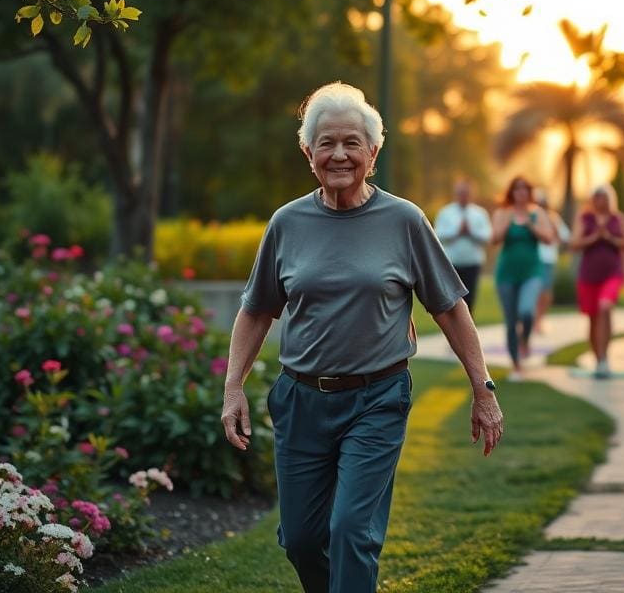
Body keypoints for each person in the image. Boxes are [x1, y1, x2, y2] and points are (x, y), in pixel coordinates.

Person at [220, 82, 503, 593]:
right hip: (301, 400)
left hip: (377, 398)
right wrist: (233, 387)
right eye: (326, 143)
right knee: (302, 539)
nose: (339, 154)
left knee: (352, 531)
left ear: (373, 152)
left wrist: (482, 388)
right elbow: (256, 310)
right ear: (308, 153)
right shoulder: (287, 223)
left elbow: (450, 308)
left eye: (352, 142)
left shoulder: (404, 221)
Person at [491, 176, 555, 380]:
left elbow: (549, 238)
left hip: (531, 272)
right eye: (517, 189)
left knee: (527, 311)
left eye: (525, 189)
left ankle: (525, 340)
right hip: (506, 274)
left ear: (529, 192)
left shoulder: (537, 213)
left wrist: (531, 226)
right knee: (511, 321)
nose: (521, 192)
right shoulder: (503, 213)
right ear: (511, 192)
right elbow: (494, 239)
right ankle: (516, 366)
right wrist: (507, 225)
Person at [570, 184, 624, 378]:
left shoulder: (618, 219)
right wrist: (594, 238)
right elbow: (574, 243)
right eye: (597, 197)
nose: (600, 200)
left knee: (605, 307)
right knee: (592, 318)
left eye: (604, 197)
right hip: (588, 275)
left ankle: (605, 357)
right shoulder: (584, 218)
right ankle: (598, 359)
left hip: (612, 273)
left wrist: (610, 239)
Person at [435, 179, 493, 313]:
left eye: (466, 193)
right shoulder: (445, 212)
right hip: (451, 264)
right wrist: (456, 232)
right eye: (461, 193)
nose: (463, 196)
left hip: (472, 263)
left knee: (469, 299)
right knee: (452, 301)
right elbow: (438, 235)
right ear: (455, 194)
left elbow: (487, 237)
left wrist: (471, 232)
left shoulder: (480, 213)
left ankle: (468, 325)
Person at [533, 190, 571, 335]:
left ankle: (539, 320)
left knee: (545, 292)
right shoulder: (530, 217)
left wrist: (555, 229)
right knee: (534, 291)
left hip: (548, 259)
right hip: (534, 259)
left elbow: (566, 237)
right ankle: (533, 320)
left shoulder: (554, 218)